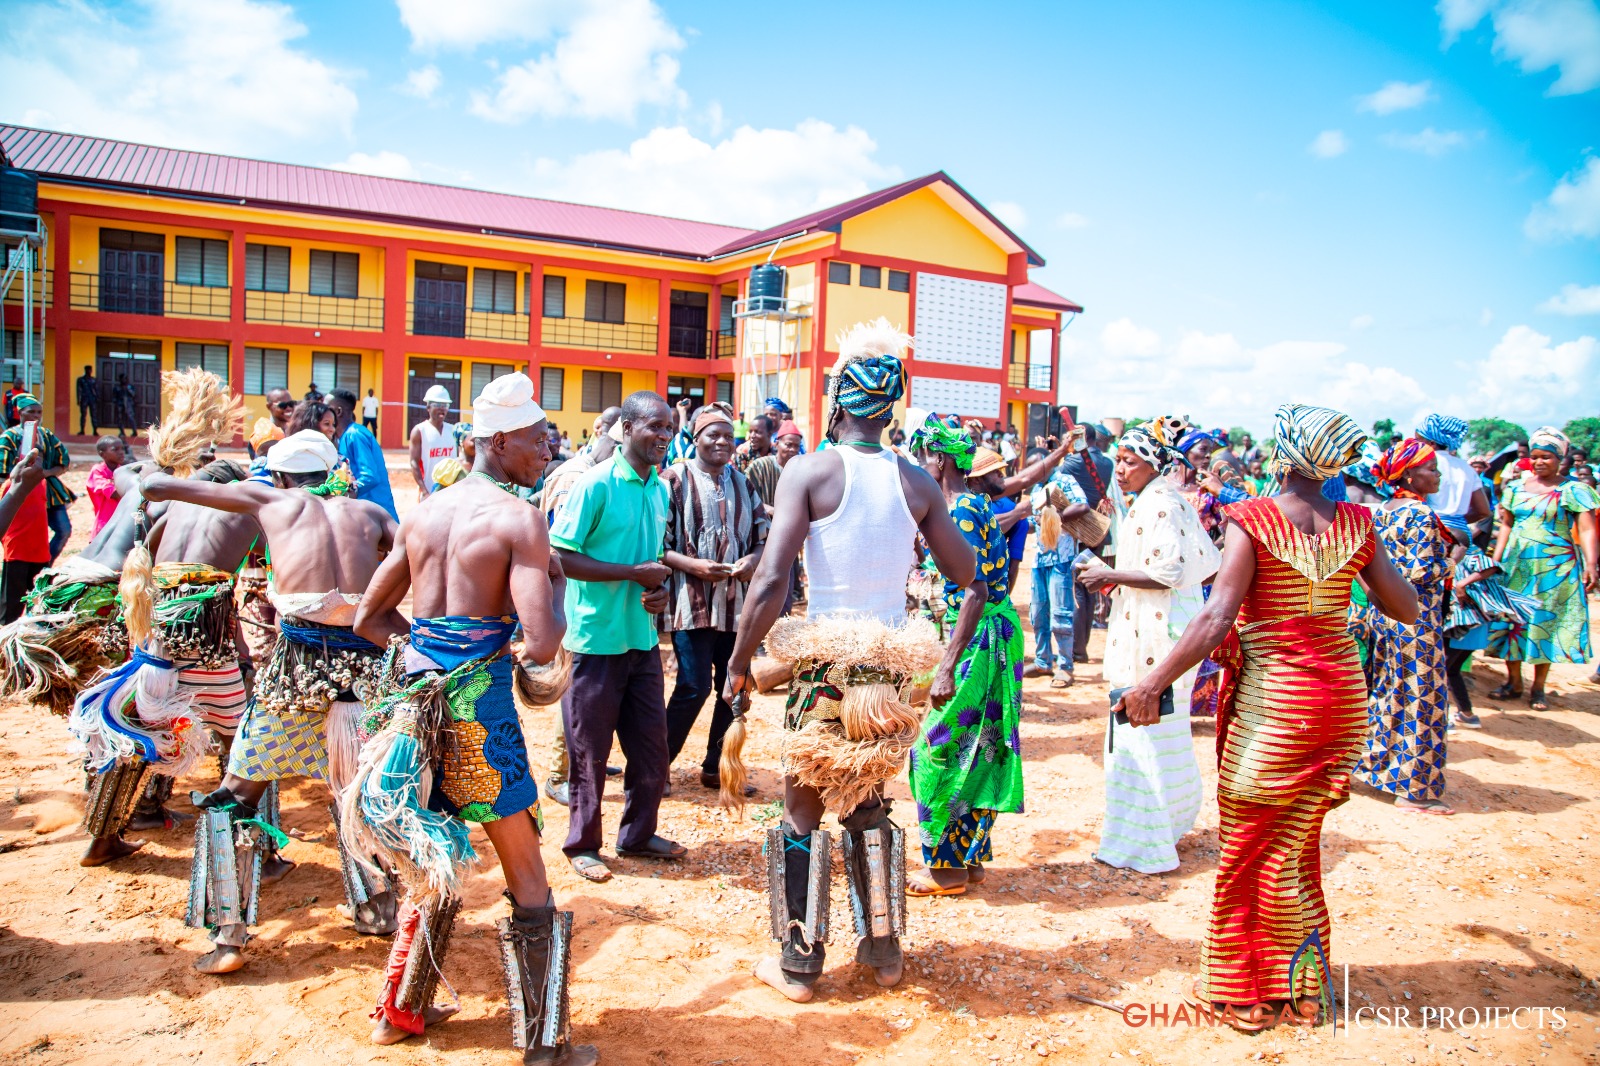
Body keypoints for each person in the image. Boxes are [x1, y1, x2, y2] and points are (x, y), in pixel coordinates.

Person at [1114, 403, 1418, 1030]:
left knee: (1251, 844)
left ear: (1282, 456)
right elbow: (1406, 607)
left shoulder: (1250, 519)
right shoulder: (1359, 523)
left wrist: (1151, 683)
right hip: (1339, 703)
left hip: (1277, 706)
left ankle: (1243, 990)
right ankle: (1303, 985)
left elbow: (1217, 617)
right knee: (1297, 845)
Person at [347, 373, 598, 1063]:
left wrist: (429, 655)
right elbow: (544, 643)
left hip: (410, 702)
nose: (548, 449)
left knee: (432, 856)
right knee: (528, 880)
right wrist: (547, 586)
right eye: (536, 439)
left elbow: (370, 618)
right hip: (477, 711)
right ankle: (546, 1045)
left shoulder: (424, 513)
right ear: (497, 441)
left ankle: (397, 1013)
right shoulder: (519, 520)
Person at [722, 319, 975, 1002]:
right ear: (890, 410)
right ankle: (884, 948)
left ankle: (799, 964)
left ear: (837, 401)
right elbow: (968, 571)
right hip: (887, 674)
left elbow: (773, 581)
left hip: (824, 670)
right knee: (867, 801)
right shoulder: (916, 482)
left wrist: (740, 659)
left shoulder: (810, 471)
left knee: (802, 808)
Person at [140, 430, 400, 973]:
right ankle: (379, 909)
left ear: (278, 478)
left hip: (296, 671)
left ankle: (229, 937)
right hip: (369, 671)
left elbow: (159, 486)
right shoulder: (371, 511)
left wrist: (161, 471)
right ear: (335, 474)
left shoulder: (269, 498)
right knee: (361, 787)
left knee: (236, 792)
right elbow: (410, 555)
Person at [548, 390, 683, 884]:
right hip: (594, 642)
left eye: (668, 428)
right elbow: (561, 556)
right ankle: (582, 844)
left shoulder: (660, 489)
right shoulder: (595, 485)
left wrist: (656, 593)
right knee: (589, 751)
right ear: (625, 430)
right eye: (654, 427)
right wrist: (631, 574)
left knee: (651, 745)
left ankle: (638, 835)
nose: (663, 436)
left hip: (641, 640)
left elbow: (653, 564)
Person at [1078, 420, 1221, 873]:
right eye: (1118, 460)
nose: (1120, 470)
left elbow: (1169, 574)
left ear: (1152, 465)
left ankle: (1144, 844)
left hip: (1158, 644)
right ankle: (1164, 824)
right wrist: (1116, 579)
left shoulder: (1160, 503)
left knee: (1141, 732)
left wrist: (1109, 575)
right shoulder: (1151, 499)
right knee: (1157, 735)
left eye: (1129, 462)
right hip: (1152, 633)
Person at [904, 424, 1026, 897]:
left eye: (921, 458)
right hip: (980, 636)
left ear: (940, 460)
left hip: (976, 641)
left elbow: (974, 593)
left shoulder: (964, 510)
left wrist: (948, 666)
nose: (918, 466)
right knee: (978, 748)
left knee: (936, 749)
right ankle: (967, 859)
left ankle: (947, 871)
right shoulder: (961, 506)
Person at [661, 403, 767, 795]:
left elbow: (762, 535)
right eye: (713, 435)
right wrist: (695, 566)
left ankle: (715, 768)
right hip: (692, 603)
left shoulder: (743, 483)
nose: (722, 442)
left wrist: (752, 560)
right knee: (692, 686)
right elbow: (659, 545)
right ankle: (657, 768)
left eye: (728, 435)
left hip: (736, 607)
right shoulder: (674, 479)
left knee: (733, 684)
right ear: (695, 438)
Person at [1351, 439, 1457, 815]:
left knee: (1388, 692)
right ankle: (1413, 790)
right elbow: (1422, 572)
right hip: (1417, 620)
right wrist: (1455, 559)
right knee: (1422, 699)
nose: (1437, 474)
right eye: (1431, 469)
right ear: (1409, 473)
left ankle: (1377, 770)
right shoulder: (1421, 515)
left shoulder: (1381, 512)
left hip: (1382, 616)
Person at [538, 405, 623, 807]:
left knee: (591, 690)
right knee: (571, 683)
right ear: (601, 432)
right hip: (571, 595)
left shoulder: (600, 475)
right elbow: (563, 549)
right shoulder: (576, 478)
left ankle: (587, 757)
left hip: (593, 599)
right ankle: (559, 773)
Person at [1486, 427, 1600, 710]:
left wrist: (1592, 565)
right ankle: (1513, 681)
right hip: (1516, 565)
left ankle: (1538, 688)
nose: (1539, 462)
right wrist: (1495, 561)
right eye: (1535, 457)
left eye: (1546, 457)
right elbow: (1507, 526)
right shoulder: (1514, 489)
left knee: (1545, 624)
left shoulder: (1575, 490)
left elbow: (1586, 530)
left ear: (1560, 459)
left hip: (1556, 569)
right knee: (1512, 622)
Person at [1024, 451, 1091, 685]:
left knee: (1060, 614)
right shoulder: (1035, 489)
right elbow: (1034, 522)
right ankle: (1043, 661)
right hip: (1040, 558)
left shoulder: (1063, 480)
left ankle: (1065, 666)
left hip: (1061, 557)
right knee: (1039, 613)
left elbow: (1083, 505)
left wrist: (1055, 517)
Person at [1062, 425, 1116, 664]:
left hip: (1077, 529)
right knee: (1089, 587)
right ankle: (1081, 647)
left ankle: (1076, 649)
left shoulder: (1072, 463)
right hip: (1099, 529)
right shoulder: (1107, 463)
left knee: (1076, 589)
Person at [0, 395, 75, 562]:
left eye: (39, 412)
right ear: (20, 412)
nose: (36, 415)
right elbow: (3, 470)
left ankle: (45, 565)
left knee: (64, 530)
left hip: (49, 492)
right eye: (31, 411)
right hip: (19, 492)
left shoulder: (46, 435)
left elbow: (63, 462)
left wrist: (44, 474)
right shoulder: (9, 437)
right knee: (21, 537)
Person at [328, 388, 399, 520]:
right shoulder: (341, 438)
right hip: (362, 514)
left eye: (327, 407)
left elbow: (370, 476)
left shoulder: (355, 435)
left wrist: (345, 494)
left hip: (376, 513)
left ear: (338, 411)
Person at [409, 385, 457, 498]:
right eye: (437, 405)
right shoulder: (419, 431)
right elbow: (414, 463)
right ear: (428, 407)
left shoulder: (453, 430)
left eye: (445, 405)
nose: (442, 408)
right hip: (429, 492)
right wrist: (424, 491)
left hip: (451, 493)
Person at [744, 419, 800, 509]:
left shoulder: (800, 470)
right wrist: (769, 510)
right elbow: (745, 496)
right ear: (777, 444)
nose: (793, 449)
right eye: (788, 445)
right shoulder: (759, 466)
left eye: (796, 446)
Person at [86, 435, 127, 537]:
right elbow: (114, 493)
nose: (121, 452)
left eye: (122, 448)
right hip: (104, 526)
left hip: (122, 524)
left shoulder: (124, 471)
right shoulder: (98, 471)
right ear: (102, 454)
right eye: (115, 449)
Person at [77, 366, 99, 436]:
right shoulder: (81, 380)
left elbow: (96, 390)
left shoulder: (93, 380)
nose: (89, 371)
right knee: (83, 415)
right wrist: (78, 399)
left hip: (92, 399)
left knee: (94, 415)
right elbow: (78, 390)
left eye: (90, 370)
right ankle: (82, 430)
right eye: (88, 370)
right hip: (84, 398)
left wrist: (97, 398)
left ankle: (95, 430)